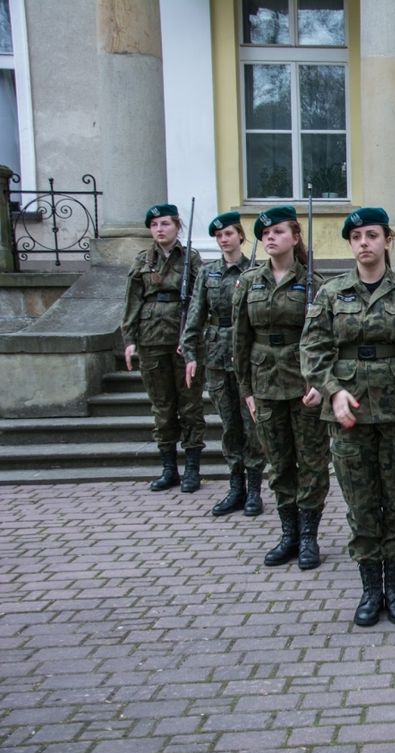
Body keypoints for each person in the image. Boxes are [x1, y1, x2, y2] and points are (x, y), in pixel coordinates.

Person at [301, 207, 395, 626]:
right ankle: (370, 589)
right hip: (349, 417)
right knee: (361, 507)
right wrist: (334, 391)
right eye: (357, 236)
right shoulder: (331, 293)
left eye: (372, 235)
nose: (364, 243)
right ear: (350, 243)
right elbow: (313, 352)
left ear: (387, 241)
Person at [233, 206, 330, 570]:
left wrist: (321, 383)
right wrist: (247, 391)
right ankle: (288, 533)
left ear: (295, 236)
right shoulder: (248, 283)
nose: (270, 237)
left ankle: (308, 536)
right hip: (264, 384)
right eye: (265, 233)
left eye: (277, 231)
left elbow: (326, 341)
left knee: (312, 463)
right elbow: (240, 341)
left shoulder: (315, 285)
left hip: (304, 385)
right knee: (279, 462)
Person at [181, 212, 266, 517]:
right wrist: (190, 353)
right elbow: (195, 315)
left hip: (248, 358)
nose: (224, 239)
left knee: (251, 425)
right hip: (216, 357)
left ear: (240, 236)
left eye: (229, 233)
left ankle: (255, 489)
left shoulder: (257, 271)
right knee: (230, 426)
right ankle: (236, 488)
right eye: (219, 236)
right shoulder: (208, 273)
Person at [121, 203, 207, 493]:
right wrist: (129, 339)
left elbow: (200, 299)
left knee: (191, 406)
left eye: (165, 224)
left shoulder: (191, 259)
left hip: (183, 339)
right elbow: (132, 301)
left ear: (177, 227)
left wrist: (194, 337)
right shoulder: (142, 261)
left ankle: (192, 469)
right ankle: (169, 468)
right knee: (162, 406)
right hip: (151, 339)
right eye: (155, 224)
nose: (159, 229)